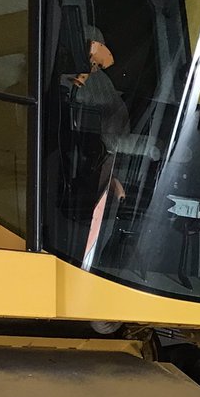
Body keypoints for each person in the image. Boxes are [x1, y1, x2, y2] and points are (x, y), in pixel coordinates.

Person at [67, 27, 129, 268]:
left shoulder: (103, 85)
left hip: (99, 165)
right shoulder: (57, 75)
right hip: (70, 165)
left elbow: (117, 132)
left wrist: (113, 175)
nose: (96, 66)